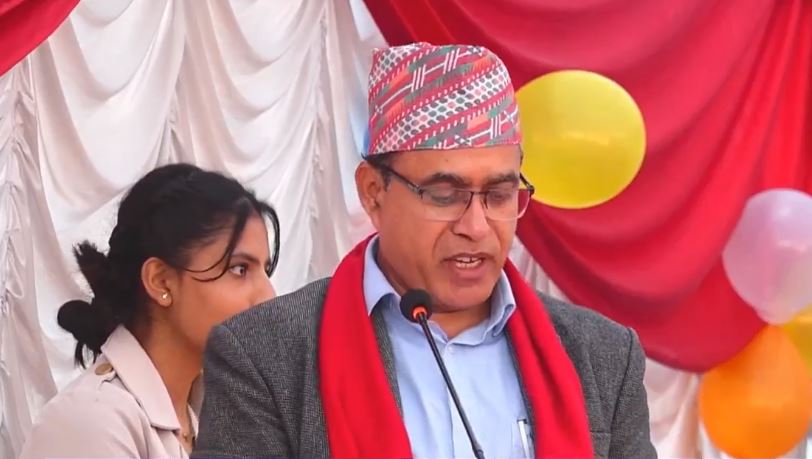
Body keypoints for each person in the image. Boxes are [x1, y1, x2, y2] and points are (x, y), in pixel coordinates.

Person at [194, 43, 656, 459]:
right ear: (373, 193)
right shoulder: (266, 353)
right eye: (444, 195)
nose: (476, 227)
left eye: (499, 196)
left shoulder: (602, 356)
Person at [20, 163, 280, 459]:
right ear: (161, 281)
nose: (268, 296)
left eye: (266, 271)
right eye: (239, 269)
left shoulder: (208, 416)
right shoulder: (92, 423)